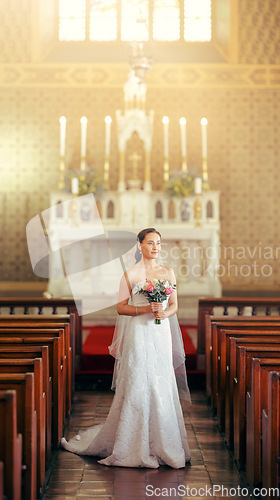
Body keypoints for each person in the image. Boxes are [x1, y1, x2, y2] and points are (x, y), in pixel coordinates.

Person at [61, 227, 191, 468]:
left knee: (160, 380)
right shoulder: (130, 274)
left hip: (160, 332)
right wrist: (145, 309)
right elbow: (121, 308)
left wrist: (163, 311)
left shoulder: (168, 272)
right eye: (151, 242)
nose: (155, 247)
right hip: (139, 333)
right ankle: (132, 443)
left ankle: (163, 441)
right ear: (139, 245)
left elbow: (174, 305)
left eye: (159, 243)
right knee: (139, 379)